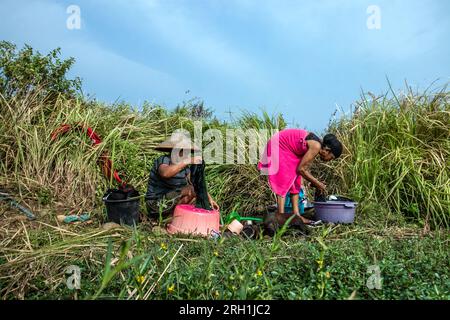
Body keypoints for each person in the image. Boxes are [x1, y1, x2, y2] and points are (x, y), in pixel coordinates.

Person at [258, 129, 342, 225]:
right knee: (284, 179)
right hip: (278, 145)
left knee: (295, 180)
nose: (329, 160)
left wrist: (315, 183)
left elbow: (301, 170)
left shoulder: (316, 145)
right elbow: (301, 169)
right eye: (331, 157)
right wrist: (318, 183)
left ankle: (296, 215)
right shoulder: (316, 146)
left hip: (289, 150)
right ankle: (280, 216)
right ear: (327, 150)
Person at [145, 134, 219, 220]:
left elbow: (196, 185)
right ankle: (167, 219)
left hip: (169, 203)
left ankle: (171, 219)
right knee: (190, 189)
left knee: (196, 198)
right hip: (156, 204)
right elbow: (165, 173)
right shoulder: (164, 160)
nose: (185, 154)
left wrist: (209, 199)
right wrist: (188, 161)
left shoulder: (184, 168)